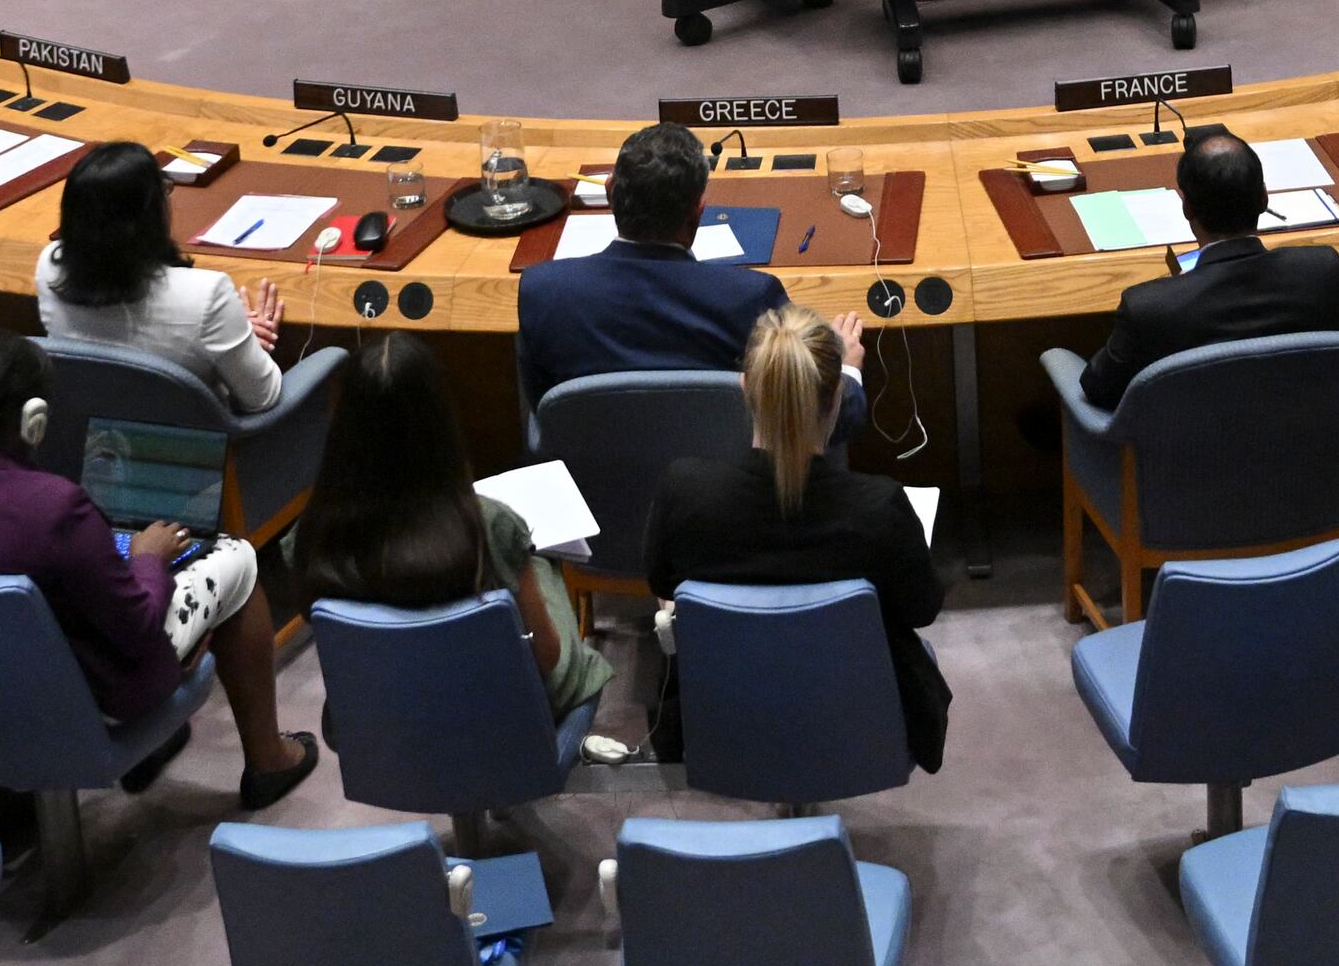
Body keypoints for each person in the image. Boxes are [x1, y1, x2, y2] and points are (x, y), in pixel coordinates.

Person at [0, 328, 315, 804]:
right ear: (33, 419)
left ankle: (157, 751)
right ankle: (268, 762)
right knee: (236, 557)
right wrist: (146, 559)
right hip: (80, 700)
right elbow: (137, 624)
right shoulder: (55, 508)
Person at [645, 309, 949, 771]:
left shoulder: (684, 492)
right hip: (860, 719)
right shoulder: (879, 508)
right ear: (838, 399)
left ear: (745, 388)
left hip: (720, 715)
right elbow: (920, 608)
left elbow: (660, 580)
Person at [291, 330, 614, 717]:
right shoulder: (493, 524)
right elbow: (547, 656)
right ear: (441, 420)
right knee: (546, 568)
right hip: (496, 715)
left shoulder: (310, 531)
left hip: (381, 716)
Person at [1072, 129, 1339, 408]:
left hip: (1191, 457)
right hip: (1316, 450)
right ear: (1263, 198)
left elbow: (1098, 390)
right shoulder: (1320, 272)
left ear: (1186, 207)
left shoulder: (1149, 307)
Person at [515, 121, 786, 407]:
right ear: (698, 213)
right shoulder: (752, 298)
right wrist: (841, 364)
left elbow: (539, 401)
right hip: (716, 451)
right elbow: (814, 407)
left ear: (610, 193)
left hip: (584, 451)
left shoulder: (542, 291)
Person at [36, 140, 287, 414]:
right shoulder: (206, 296)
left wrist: (230, 328)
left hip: (85, 430)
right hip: (193, 443)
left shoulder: (49, 265)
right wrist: (246, 341)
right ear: (149, 215)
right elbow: (262, 398)